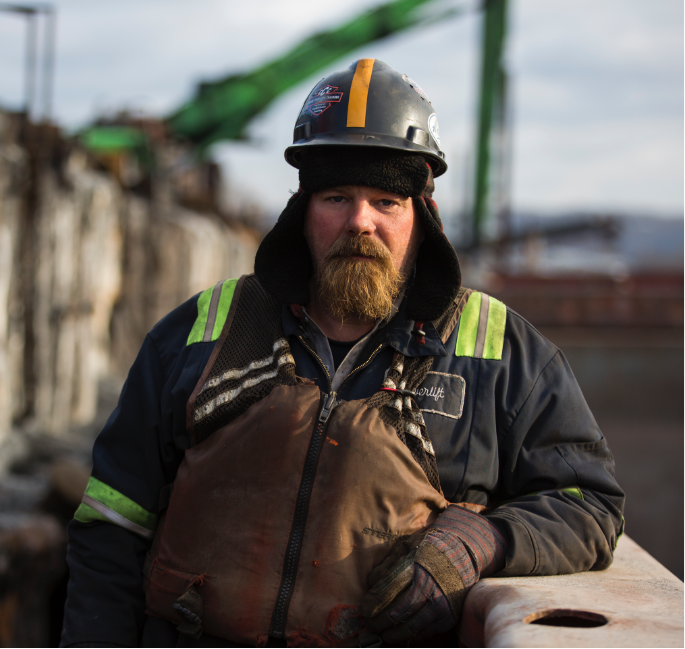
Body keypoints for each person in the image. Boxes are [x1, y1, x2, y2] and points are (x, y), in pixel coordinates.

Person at [60, 59, 624, 648]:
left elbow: (590, 504)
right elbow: (112, 523)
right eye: (336, 196)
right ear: (302, 208)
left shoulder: (501, 352)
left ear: (421, 215)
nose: (361, 222)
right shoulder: (204, 332)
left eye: (386, 200)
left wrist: (484, 541)